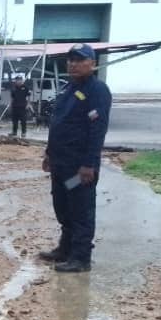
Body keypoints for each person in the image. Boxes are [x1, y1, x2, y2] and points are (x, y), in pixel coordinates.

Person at [39, 43, 112, 273]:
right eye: (71, 60)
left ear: (92, 63)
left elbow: (97, 130)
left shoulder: (97, 91)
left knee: (80, 208)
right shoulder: (67, 89)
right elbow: (58, 124)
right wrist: (49, 153)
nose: (73, 64)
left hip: (79, 168)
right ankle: (66, 248)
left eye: (80, 60)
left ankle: (81, 258)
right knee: (62, 205)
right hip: (61, 164)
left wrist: (89, 164)